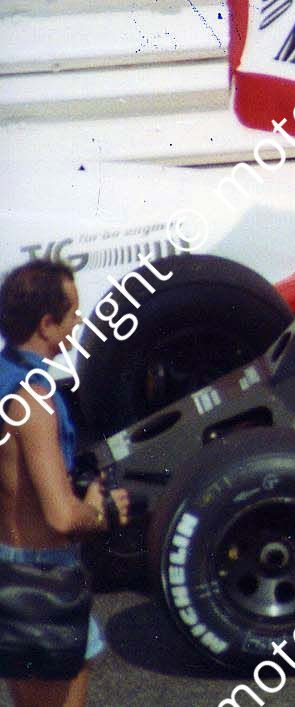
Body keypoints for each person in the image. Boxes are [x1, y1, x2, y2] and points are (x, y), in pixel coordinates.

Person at [1, 261, 131, 707]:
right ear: (47, 324)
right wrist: (100, 510)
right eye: (72, 313)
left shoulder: (4, 378)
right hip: (38, 584)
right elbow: (60, 515)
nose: (78, 322)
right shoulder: (33, 400)